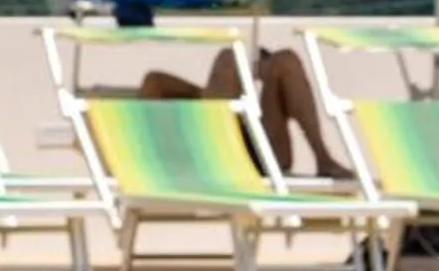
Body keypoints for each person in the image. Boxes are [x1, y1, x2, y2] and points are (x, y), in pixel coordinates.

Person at [141, 47, 347, 181]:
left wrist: (210, 93)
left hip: (266, 155)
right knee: (229, 56)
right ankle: (236, 69)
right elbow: (154, 82)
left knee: (286, 59)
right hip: (218, 157)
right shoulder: (157, 86)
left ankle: (324, 159)